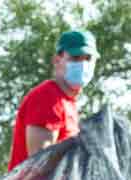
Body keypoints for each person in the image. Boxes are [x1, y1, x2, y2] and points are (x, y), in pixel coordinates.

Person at [8, 29, 98, 171]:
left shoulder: (68, 102)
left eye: (88, 58)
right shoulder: (48, 97)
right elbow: (40, 162)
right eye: (75, 58)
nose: (82, 64)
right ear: (57, 60)